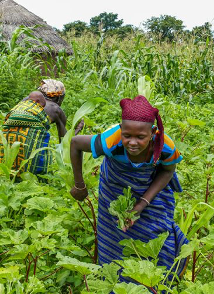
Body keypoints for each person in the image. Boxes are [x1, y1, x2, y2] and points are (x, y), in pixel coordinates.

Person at [69, 95, 189, 280]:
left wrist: (141, 205)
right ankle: (117, 282)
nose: (132, 143)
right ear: (121, 130)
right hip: (114, 188)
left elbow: (167, 172)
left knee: (157, 233)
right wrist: (79, 185)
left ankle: (156, 281)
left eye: (140, 137)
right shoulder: (111, 141)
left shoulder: (165, 146)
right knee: (115, 236)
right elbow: (75, 143)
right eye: (127, 135)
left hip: (150, 188)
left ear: (152, 133)